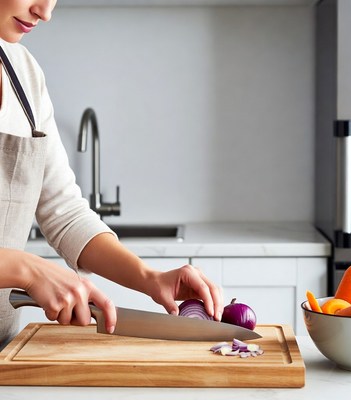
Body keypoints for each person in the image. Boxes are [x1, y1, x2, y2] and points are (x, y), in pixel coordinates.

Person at [0, 0, 223, 348]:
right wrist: (27, 270)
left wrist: (149, 278)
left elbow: (65, 213)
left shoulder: (24, 75)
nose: (45, 11)